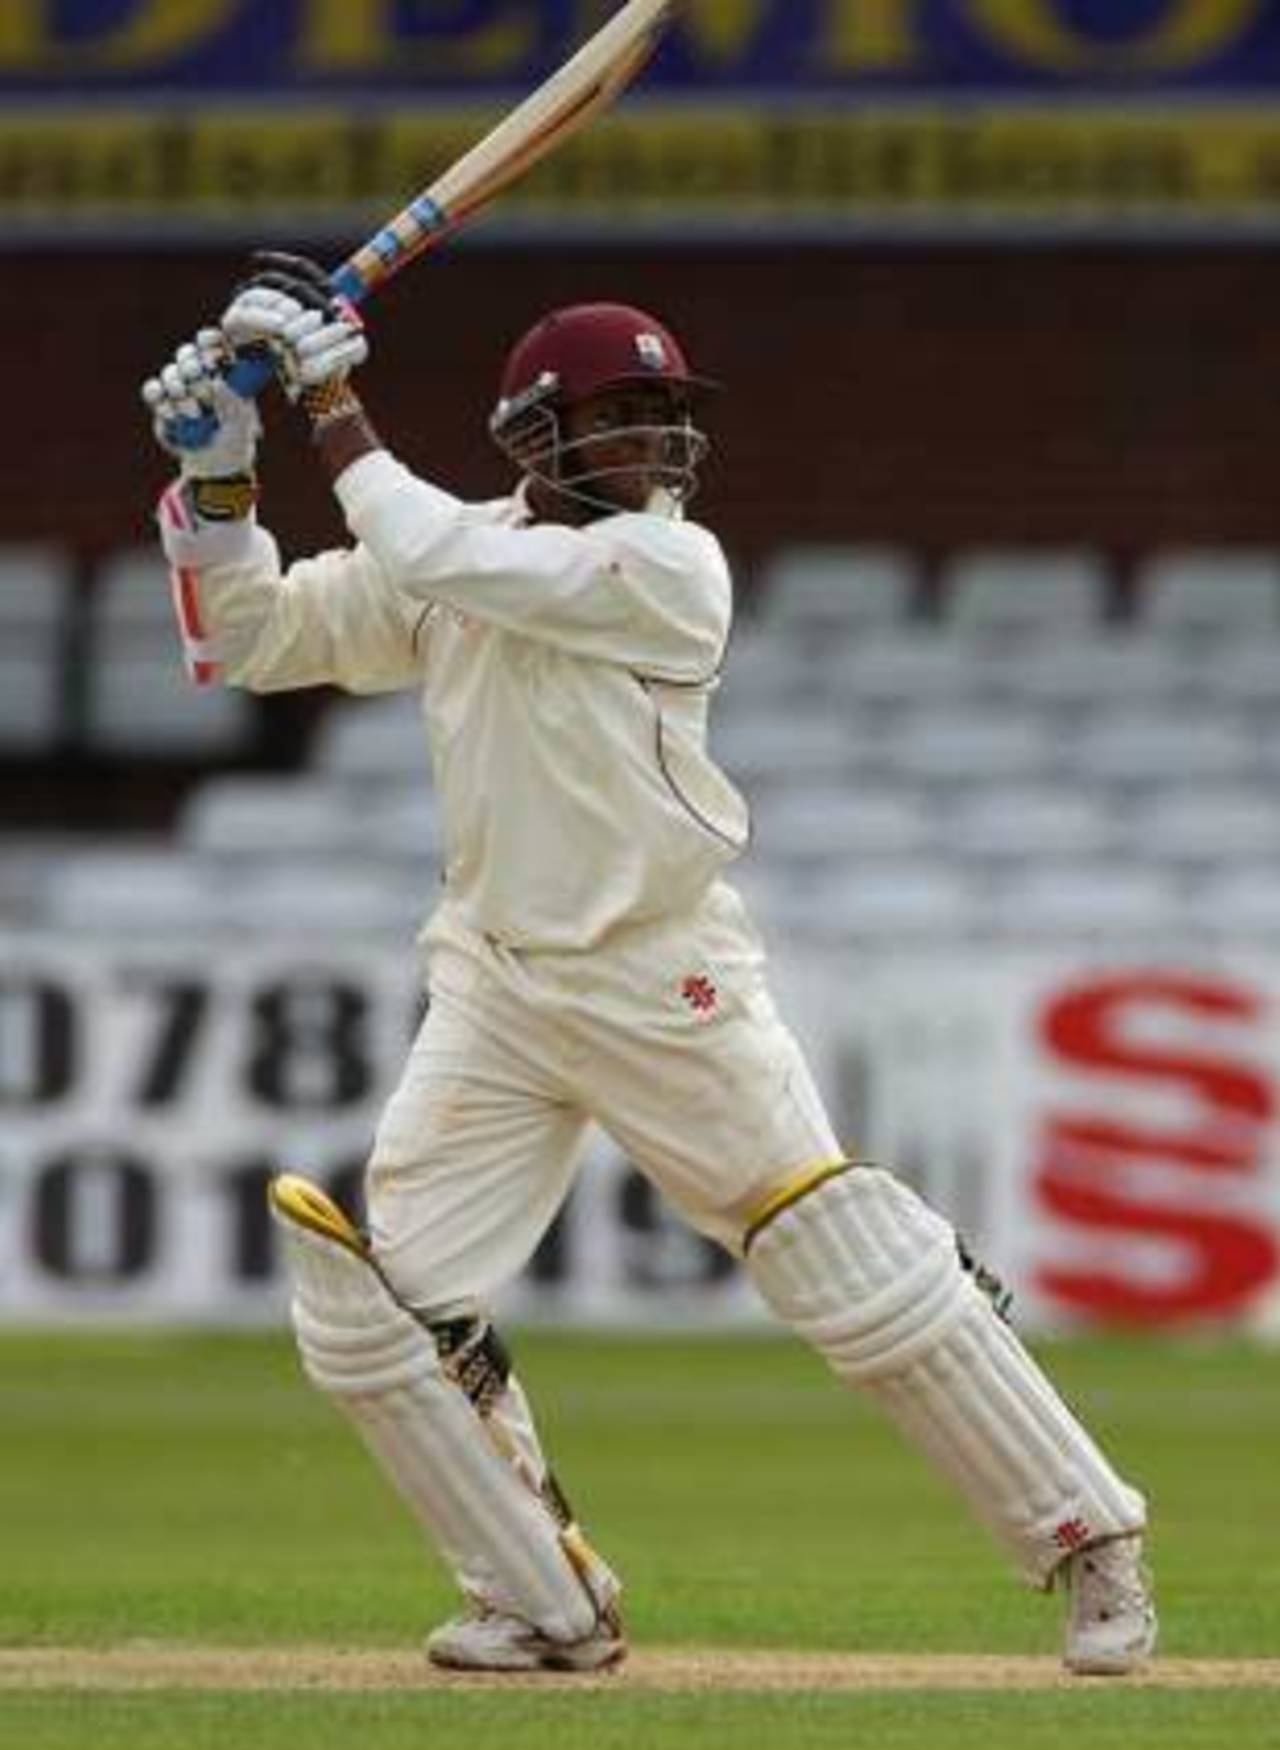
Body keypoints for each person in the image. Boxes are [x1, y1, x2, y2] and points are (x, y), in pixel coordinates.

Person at [141, 253, 1157, 1677]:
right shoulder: (460, 551)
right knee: (386, 1317)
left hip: (659, 974)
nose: (656, 442)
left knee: (841, 1262)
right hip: (498, 980)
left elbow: (442, 554)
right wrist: (225, 481)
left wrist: (329, 397)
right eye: (618, 418)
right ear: (534, 437)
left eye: (662, 414)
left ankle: (1090, 1541)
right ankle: (542, 1602)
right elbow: (254, 636)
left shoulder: (671, 565)